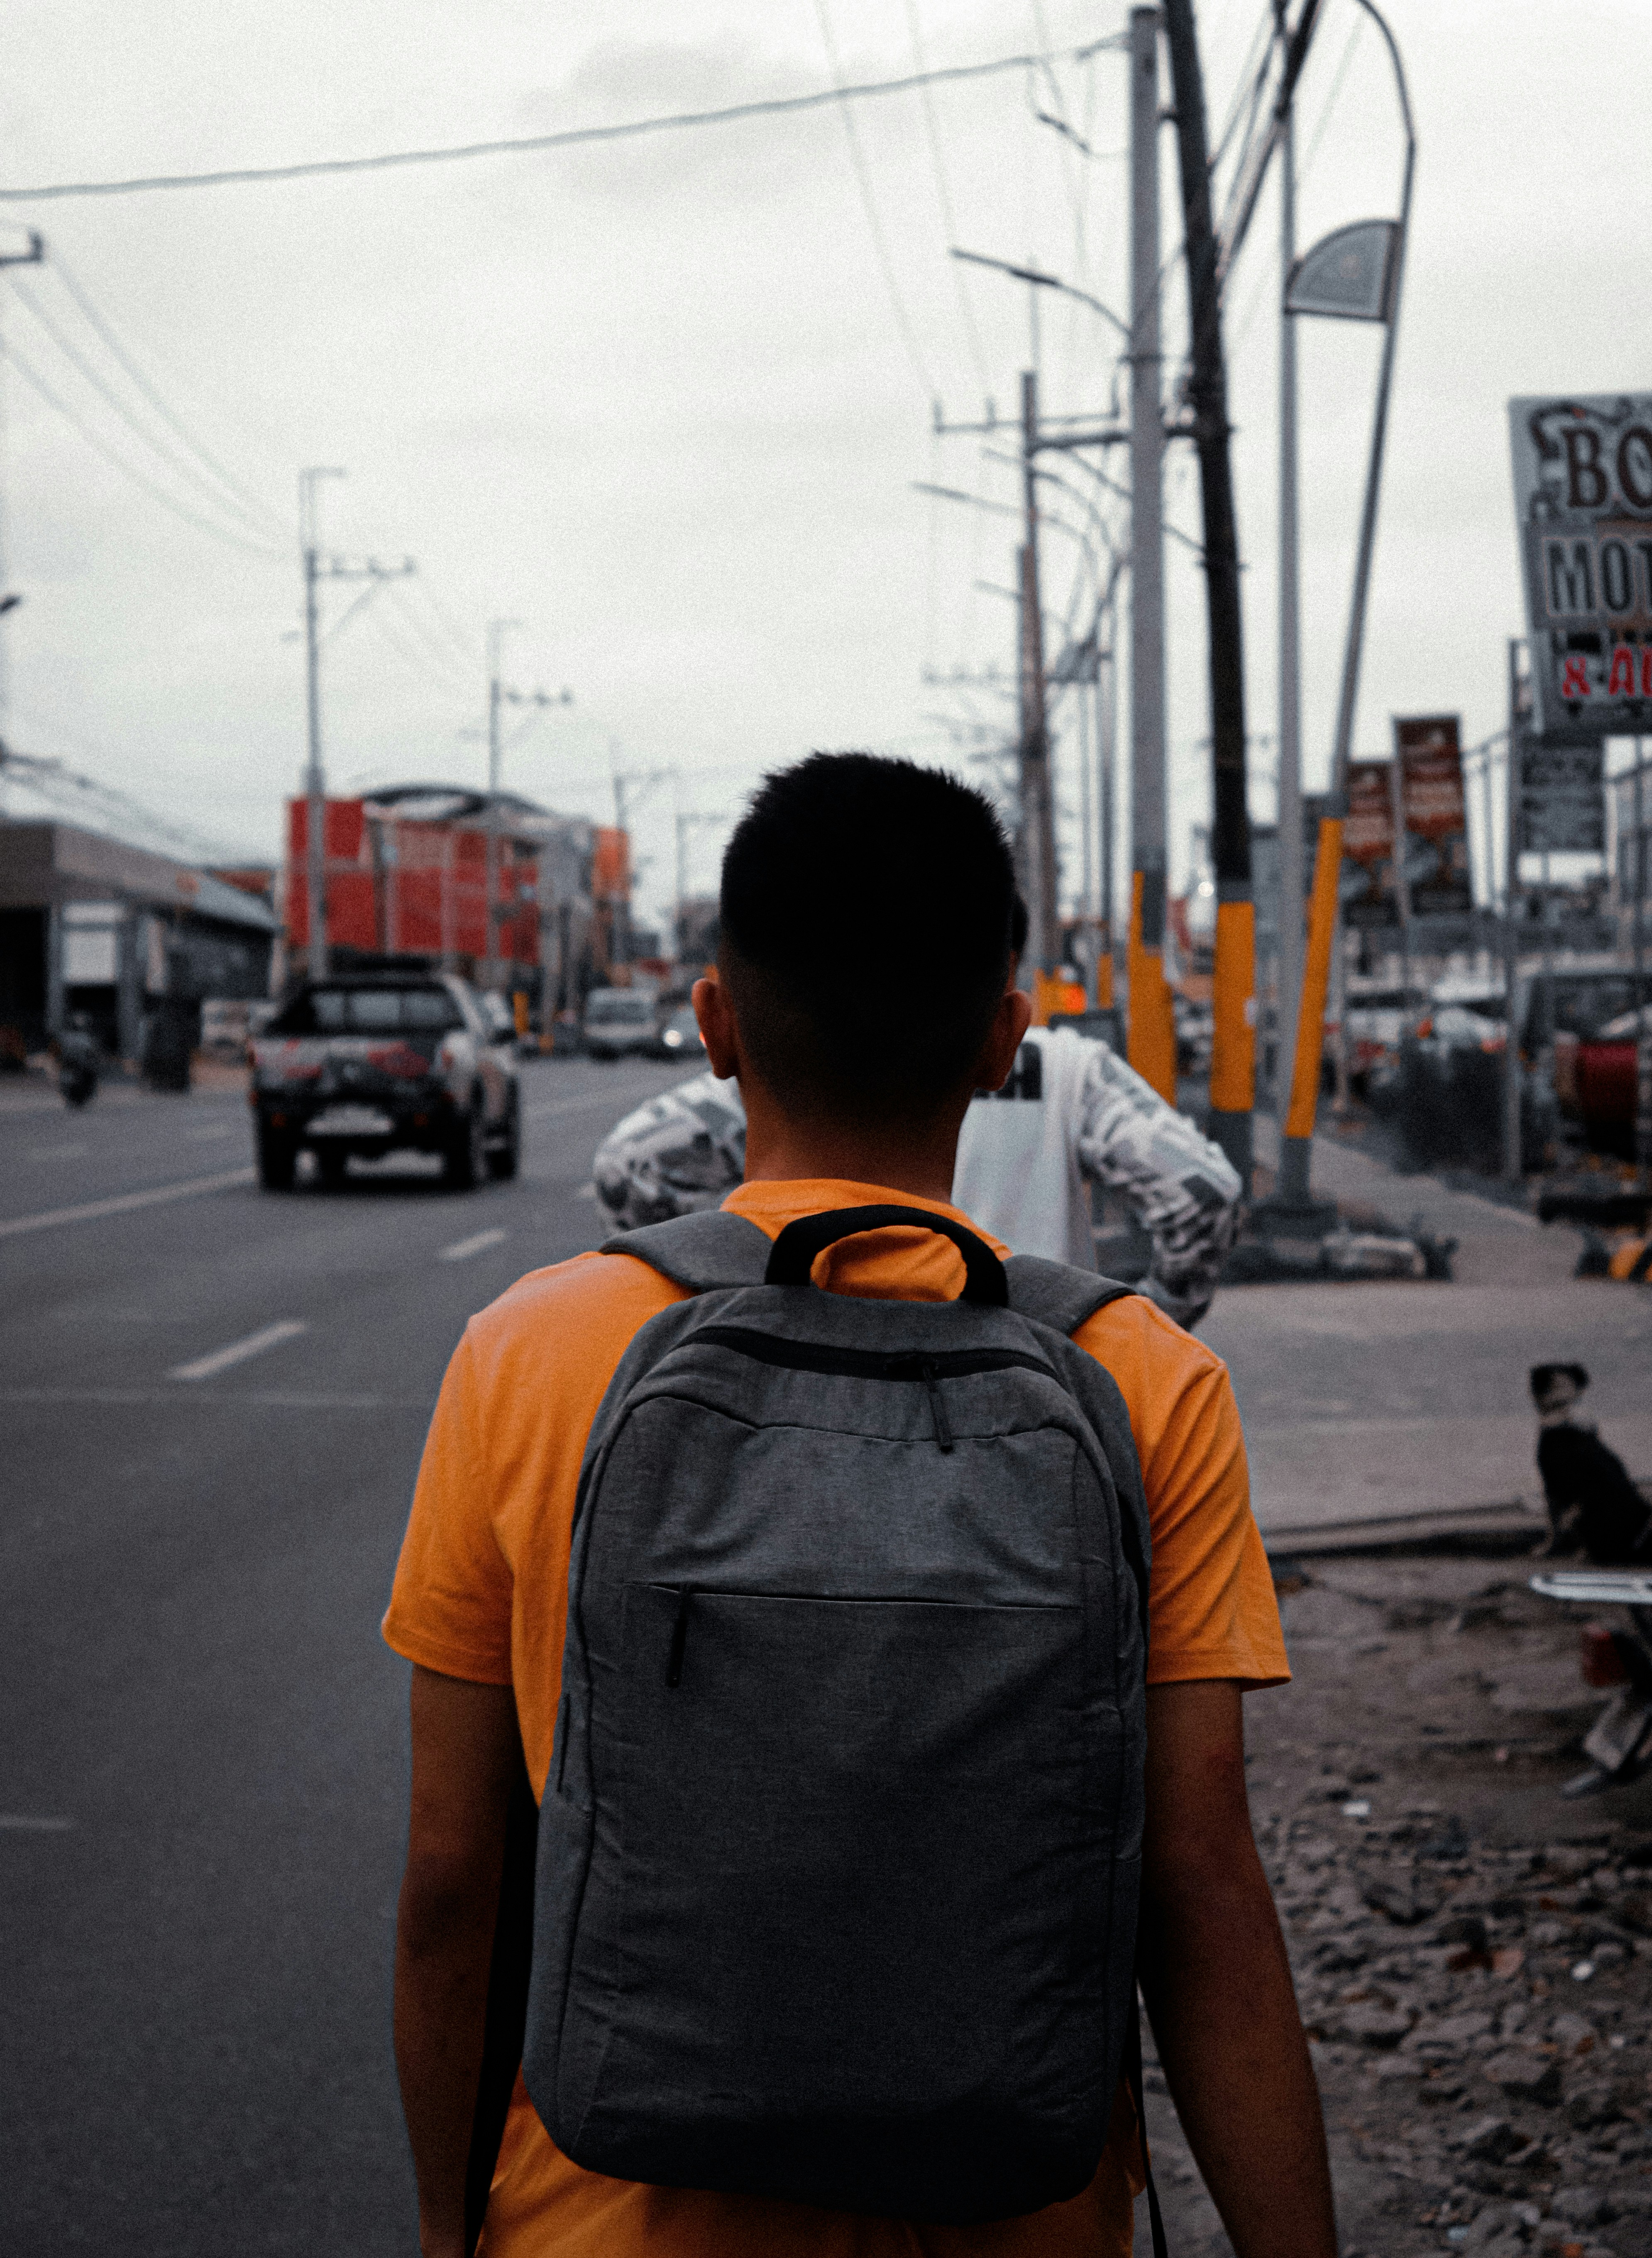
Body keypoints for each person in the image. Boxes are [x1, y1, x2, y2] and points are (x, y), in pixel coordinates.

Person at [386, 752, 1333, 2258]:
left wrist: (448, 2227)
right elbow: (1201, 1886)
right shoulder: (1138, 1380)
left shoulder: (530, 1348)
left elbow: (454, 1873)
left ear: (711, 1023)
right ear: (999, 1042)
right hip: (1013, 2213)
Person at [594, 902, 1242, 1331]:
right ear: (1007, 980)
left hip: (816, 1391)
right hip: (1044, 1391)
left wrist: (714, 1313)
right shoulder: (1069, 1071)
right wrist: (1133, 1329)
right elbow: (1203, 1194)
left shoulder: (804, 1064)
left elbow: (632, 1164)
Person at [1530, 1362, 1652, 1563]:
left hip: (1619, 1531)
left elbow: (1556, 1497)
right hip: (1625, 1530)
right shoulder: (1570, 1436)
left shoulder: (1566, 1436)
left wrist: (1555, 1542)